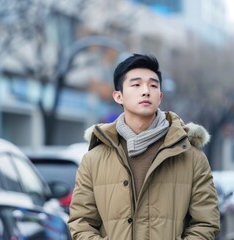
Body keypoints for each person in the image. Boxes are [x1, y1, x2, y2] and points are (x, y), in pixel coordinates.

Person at [68, 53, 220, 239]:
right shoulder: (94, 159)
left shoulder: (191, 156)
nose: (146, 91)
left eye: (153, 85)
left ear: (160, 96)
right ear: (118, 96)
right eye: (136, 84)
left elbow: (206, 223)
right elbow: (81, 222)